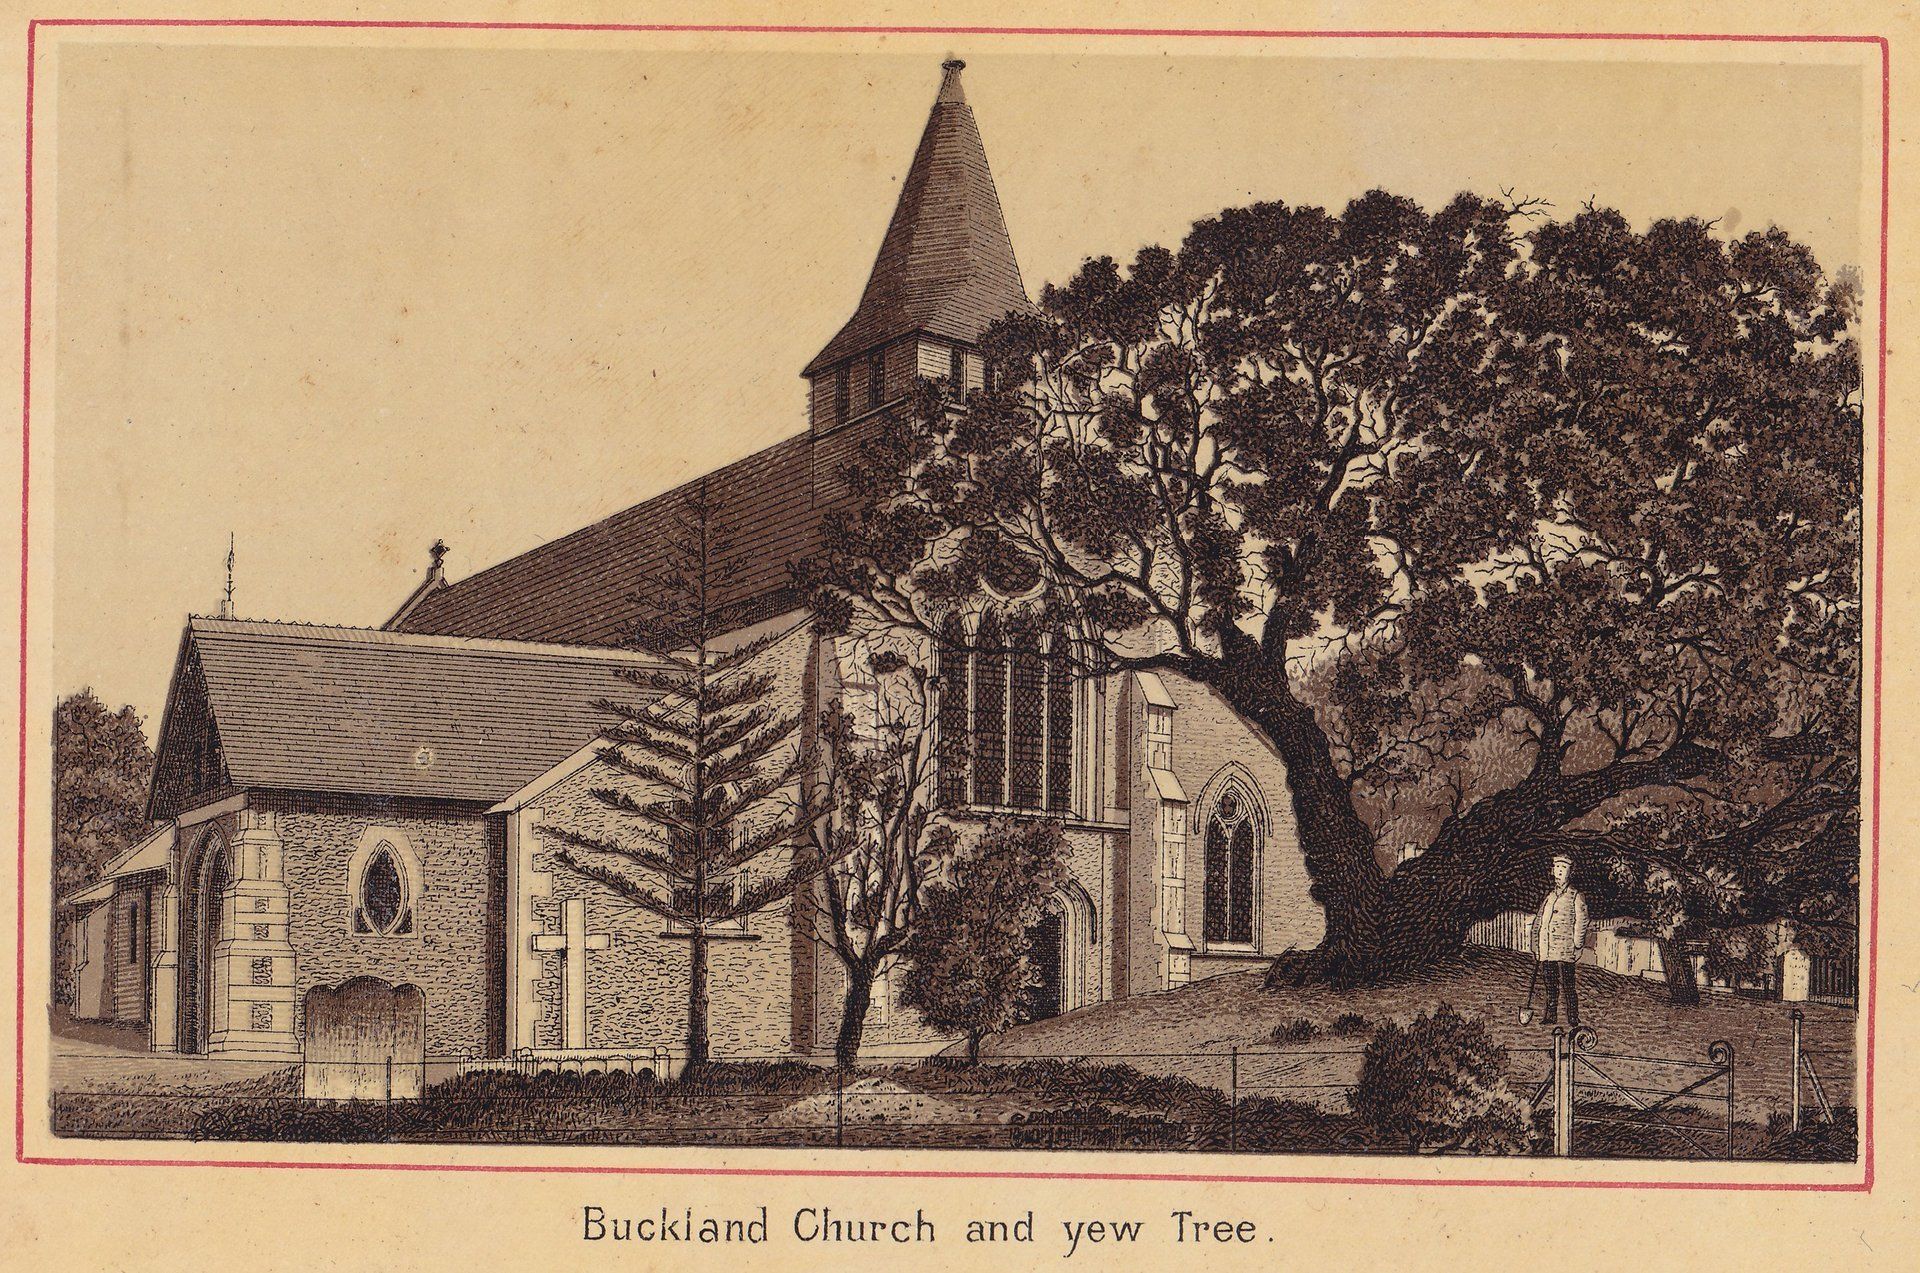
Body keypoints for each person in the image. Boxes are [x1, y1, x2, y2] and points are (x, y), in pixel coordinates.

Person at [1533, 851, 1588, 1027]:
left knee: (1568, 985)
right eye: (1557, 867)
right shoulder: (1549, 896)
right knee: (1550, 985)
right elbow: (1539, 921)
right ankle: (1550, 1015)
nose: (1559, 871)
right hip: (1548, 949)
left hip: (1565, 949)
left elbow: (1582, 921)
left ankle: (1573, 1017)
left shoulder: (1575, 896)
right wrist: (1536, 945)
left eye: (1563, 868)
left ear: (1570, 872)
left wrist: (1578, 945)